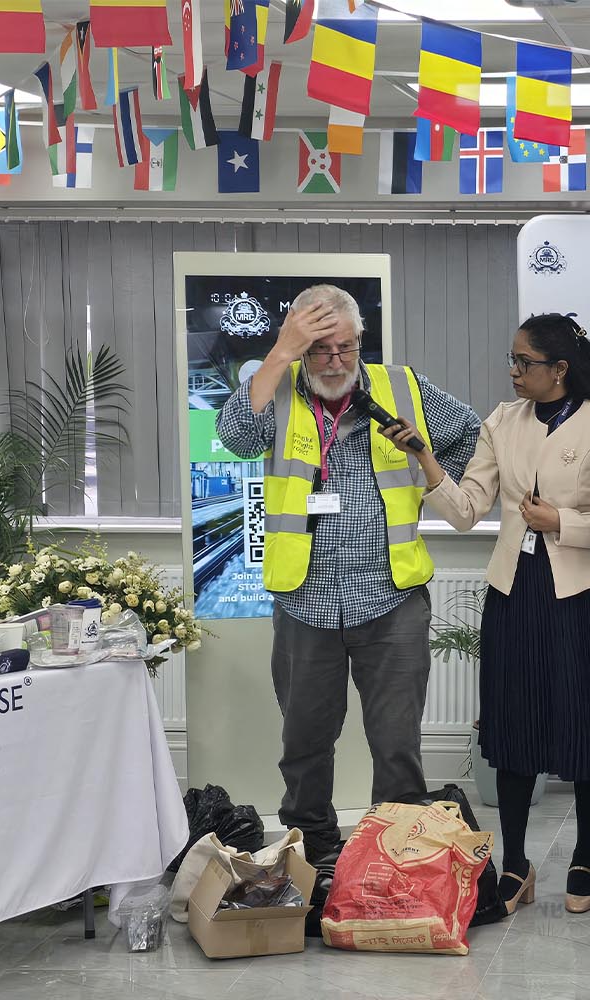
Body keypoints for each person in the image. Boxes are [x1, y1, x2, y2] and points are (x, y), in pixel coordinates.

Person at [215, 285, 480, 867]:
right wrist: (281, 353)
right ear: (301, 347)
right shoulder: (276, 389)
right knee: (305, 746)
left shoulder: (402, 388)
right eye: (320, 349)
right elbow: (235, 437)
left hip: (392, 598)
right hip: (305, 601)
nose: (335, 361)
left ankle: (394, 861)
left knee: (395, 746)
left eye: (346, 348)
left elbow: (469, 433)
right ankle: (313, 860)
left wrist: (430, 483)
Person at [405, 313, 590, 917]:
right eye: (511, 360)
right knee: (512, 730)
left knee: (586, 727)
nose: (512, 372)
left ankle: (584, 856)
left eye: (524, 363)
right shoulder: (501, 422)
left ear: (560, 368)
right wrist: (427, 461)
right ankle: (515, 864)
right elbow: (465, 510)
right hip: (516, 590)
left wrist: (562, 522)